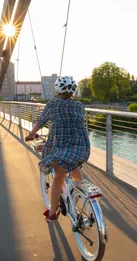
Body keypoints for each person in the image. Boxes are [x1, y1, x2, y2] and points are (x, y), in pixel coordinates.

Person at [25, 76, 90, 222]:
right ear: (73, 92)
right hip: (81, 146)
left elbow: (40, 122)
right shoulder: (79, 106)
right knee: (74, 165)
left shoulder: (53, 105)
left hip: (62, 147)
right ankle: (81, 191)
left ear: (57, 90)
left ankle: (52, 214)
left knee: (58, 178)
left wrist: (31, 135)